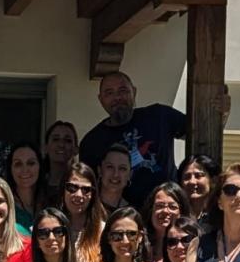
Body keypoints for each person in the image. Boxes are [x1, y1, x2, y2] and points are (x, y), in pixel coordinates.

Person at [79, 72, 188, 207]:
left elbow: (197, 131)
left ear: (134, 92)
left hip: (167, 210)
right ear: (101, 99)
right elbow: (89, 189)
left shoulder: (159, 116)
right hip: (121, 218)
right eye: (109, 93)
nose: (117, 97)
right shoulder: (91, 142)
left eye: (123, 90)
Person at [58, 161, 105, 262]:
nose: (79, 195)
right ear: (63, 190)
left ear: (93, 194)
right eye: (72, 187)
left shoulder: (103, 231)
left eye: (86, 190)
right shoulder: (50, 228)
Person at [144, 182, 191, 262]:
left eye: (172, 207)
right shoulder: (139, 242)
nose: (165, 211)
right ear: (151, 210)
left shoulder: (188, 244)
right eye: (159, 206)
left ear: (182, 212)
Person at [5, 142, 46, 235]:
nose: (25, 169)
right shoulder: (4, 207)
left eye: (31, 163)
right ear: (10, 169)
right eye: (18, 164)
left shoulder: (50, 204)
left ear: (40, 166)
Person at [179, 154, 219, 226]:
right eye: (187, 177)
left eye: (198, 176)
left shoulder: (222, 214)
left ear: (213, 180)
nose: (192, 181)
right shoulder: (176, 216)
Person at [43, 121, 79, 192]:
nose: (61, 145)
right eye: (55, 139)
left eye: (67, 140)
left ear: (76, 150)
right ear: (45, 148)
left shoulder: (82, 185)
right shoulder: (35, 186)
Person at [97, 144, 132, 212]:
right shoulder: (86, 204)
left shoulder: (132, 214)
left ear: (130, 175)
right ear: (100, 171)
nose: (115, 174)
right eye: (110, 167)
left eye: (122, 168)